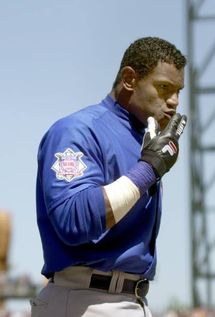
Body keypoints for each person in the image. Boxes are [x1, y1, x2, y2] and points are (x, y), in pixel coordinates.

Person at [31, 36, 187, 317]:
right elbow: (73, 219)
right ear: (129, 79)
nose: (174, 101)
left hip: (130, 301)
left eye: (178, 91)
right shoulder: (77, 130)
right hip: (84, 300)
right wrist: (148, 169)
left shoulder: (143, 139)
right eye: (164, 88)